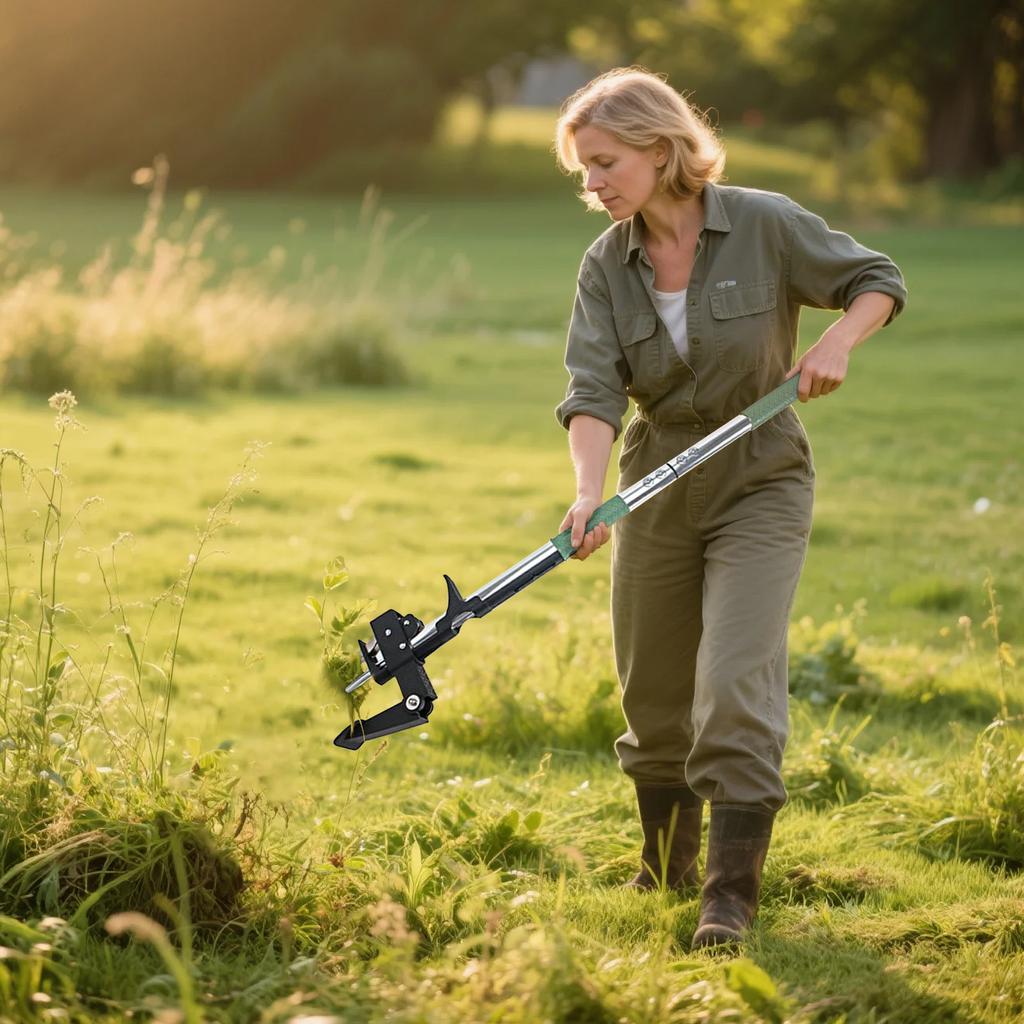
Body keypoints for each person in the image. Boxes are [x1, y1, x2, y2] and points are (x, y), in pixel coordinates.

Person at [552, 67, 907, 949]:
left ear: (659, 147)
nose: (592, 185)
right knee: (655, 693)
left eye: (603, 163)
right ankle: (665, 865)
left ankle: (728, 898)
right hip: (657, 479)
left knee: (733, 681)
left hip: (760, 475)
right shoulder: (606, 265)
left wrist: (835, 340)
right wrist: (590, 494)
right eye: (583, 171)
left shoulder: (764, 222)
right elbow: (592, 390)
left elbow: (876, 277)